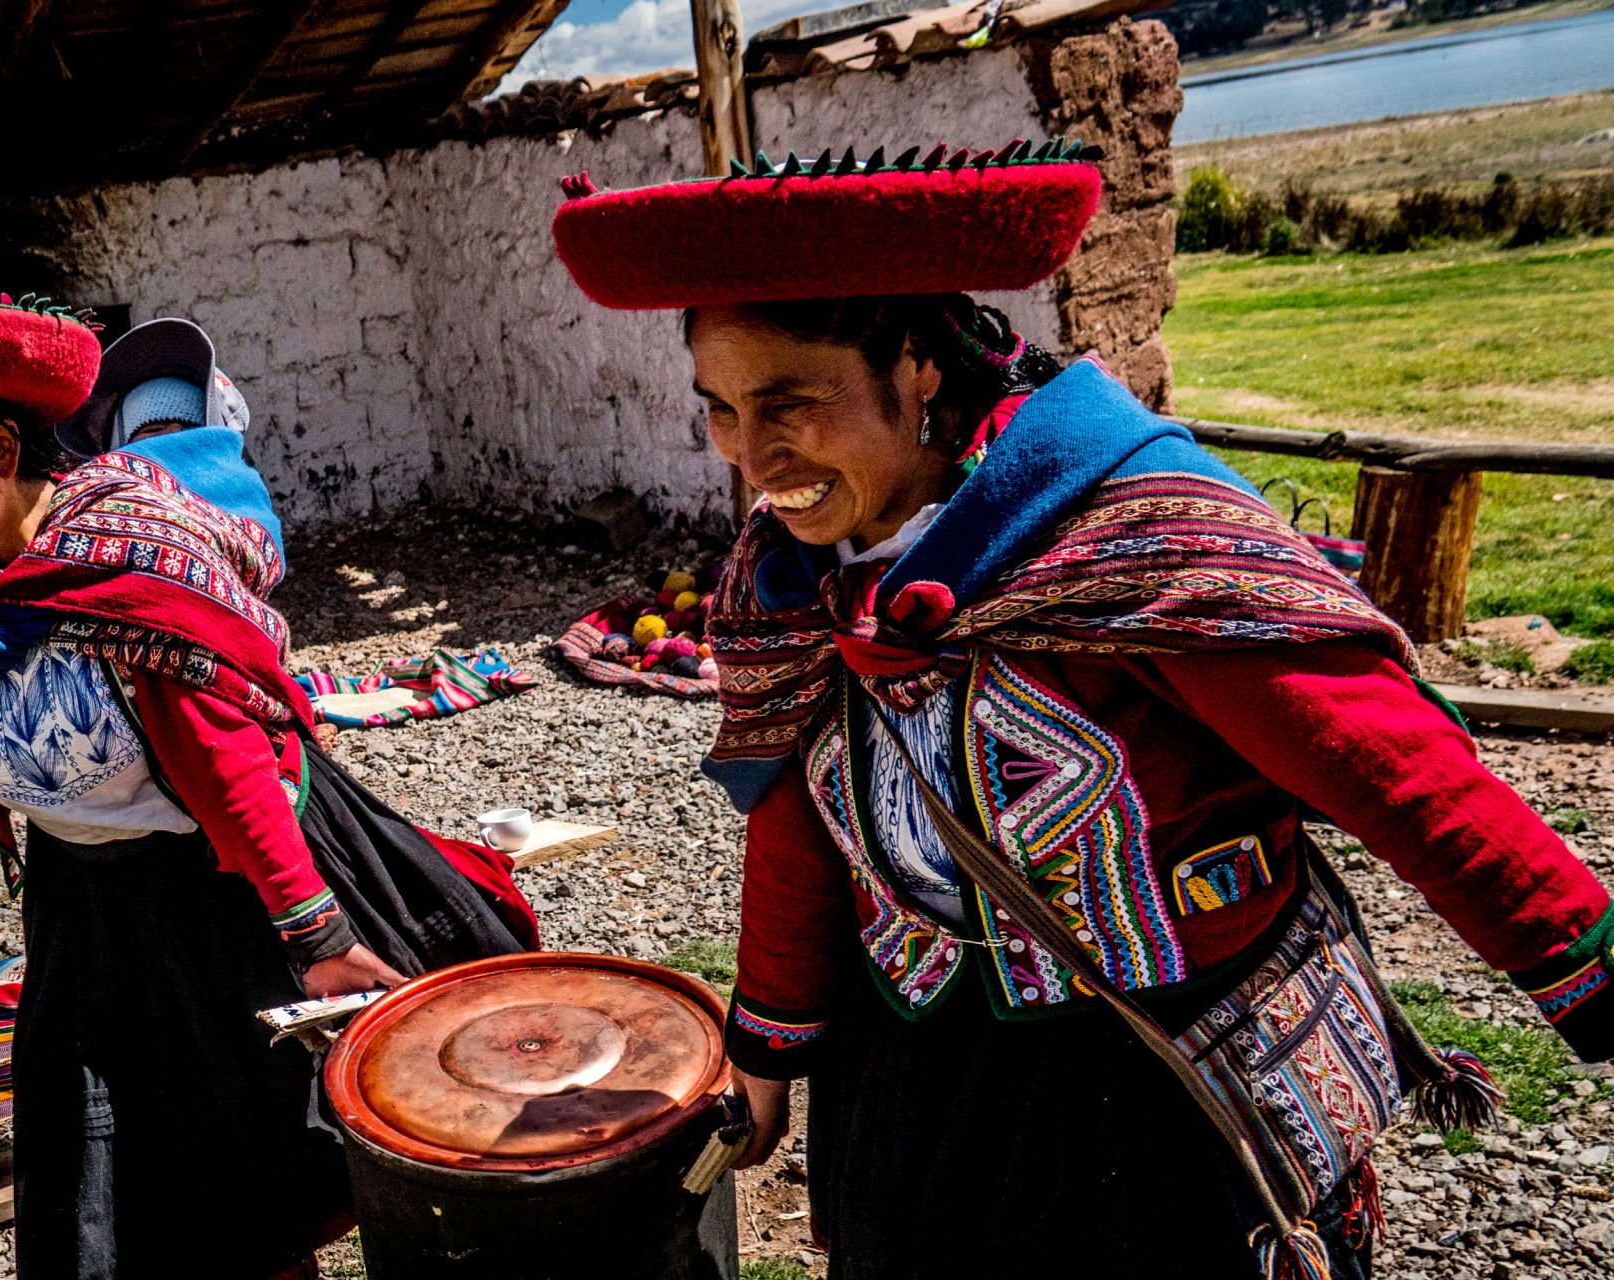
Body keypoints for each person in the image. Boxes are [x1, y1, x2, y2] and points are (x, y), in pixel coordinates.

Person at [549, 145, 1614, 1277]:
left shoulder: (1130, 539)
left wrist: (1586, 970)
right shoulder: (785, 582)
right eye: (718, 409)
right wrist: (766, 1042)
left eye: (789, 404)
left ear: (916, 368)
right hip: (916, 1072)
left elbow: (1400, 775)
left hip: (1151, 1080)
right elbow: (798, 821)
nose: (751, 457)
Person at [0, 297, 536, 1279]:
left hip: (235, 877)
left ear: (3, 448)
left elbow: (224, 762)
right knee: (114, 1159)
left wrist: (318, 938)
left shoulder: (121, 560)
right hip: (88, 905)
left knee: (297, 1123)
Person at [58, 316, 284, 560]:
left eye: (191, 431)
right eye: (153, 431)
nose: (174, 439)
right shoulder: (85, 530)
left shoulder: (250, 523)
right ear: (118, 452)